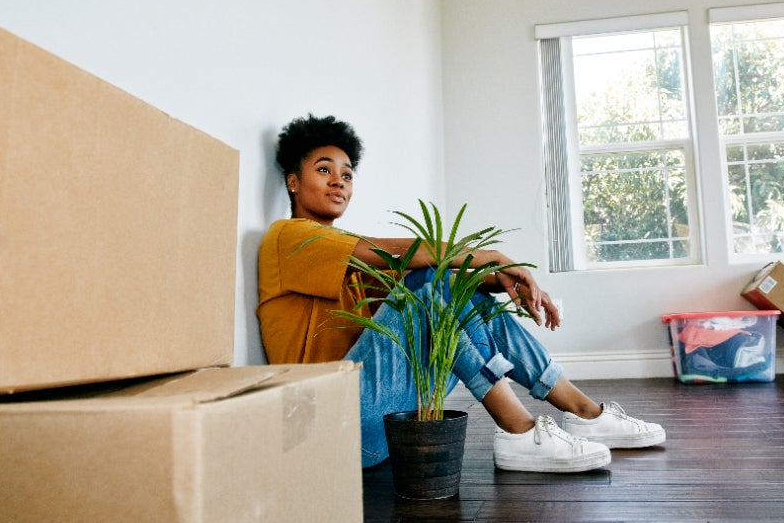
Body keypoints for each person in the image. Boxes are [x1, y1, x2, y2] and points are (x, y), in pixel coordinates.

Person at [256, 114, 665, 472]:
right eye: (324, 170)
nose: (338, 182)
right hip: (328, 426)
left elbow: (434, 284)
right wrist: (488, 256)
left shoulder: (347, 257)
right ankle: (520, 430)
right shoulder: (289, 237)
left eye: (347, 174)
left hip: (380, 431)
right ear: (293, 181)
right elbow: (406, 257)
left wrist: (496, 282)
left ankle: (583, 413)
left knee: (444, 286)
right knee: (430, 280)